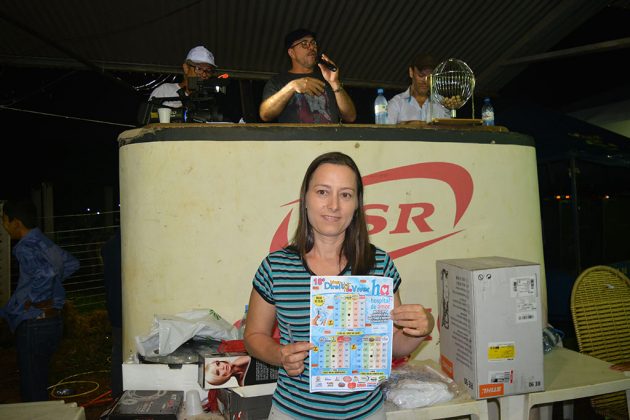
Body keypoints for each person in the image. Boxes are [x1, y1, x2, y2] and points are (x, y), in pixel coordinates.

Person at [243, 152, 434, 419]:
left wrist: (422, 328)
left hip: (366, 413)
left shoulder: (379, 264)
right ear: (305, 199)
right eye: (323, 192)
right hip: (294, 413)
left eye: (345, 195)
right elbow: (253, 336)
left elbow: (393, 345)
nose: (333, 205)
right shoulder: (276, 267)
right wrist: (279, 355)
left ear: (357, 204)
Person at [0, 198, 80, 401]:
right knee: (39, 379)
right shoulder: (44, 242)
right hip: (53, 321)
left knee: (32, 388)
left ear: (16, 222)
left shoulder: (25, 247)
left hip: (34, 323)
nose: (4, 225)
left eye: (4, 220)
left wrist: (34, 300)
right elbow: (71, 263)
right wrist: (50, 288)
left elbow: (46, 273)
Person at [259, 28, 356, 123]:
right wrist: (291, 87)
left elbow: (350, 117)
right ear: (292, 53)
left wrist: (335, 83)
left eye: (313, 43)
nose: (311, 47)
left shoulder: (327, 78)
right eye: (304, 44)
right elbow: (265, 114)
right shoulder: (278, 81)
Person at [387, 53, 450, 124]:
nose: (425, 81)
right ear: (411, 72)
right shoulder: (397, 104)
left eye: (430, 77)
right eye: (421, 75)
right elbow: (385, 130)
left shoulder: (442, 103)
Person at [148, 45, 217, 109]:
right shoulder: (165, 90)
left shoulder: (209, 98)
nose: (204, 75)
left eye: (208, 70)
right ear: (186, 68)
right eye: (199, 69)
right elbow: (148, 116)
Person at [100, 228, 122, 398]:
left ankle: (118, 398)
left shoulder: (110, 246)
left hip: (117, 309)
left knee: (120, 353)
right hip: (124, 309)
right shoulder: (127, 244)